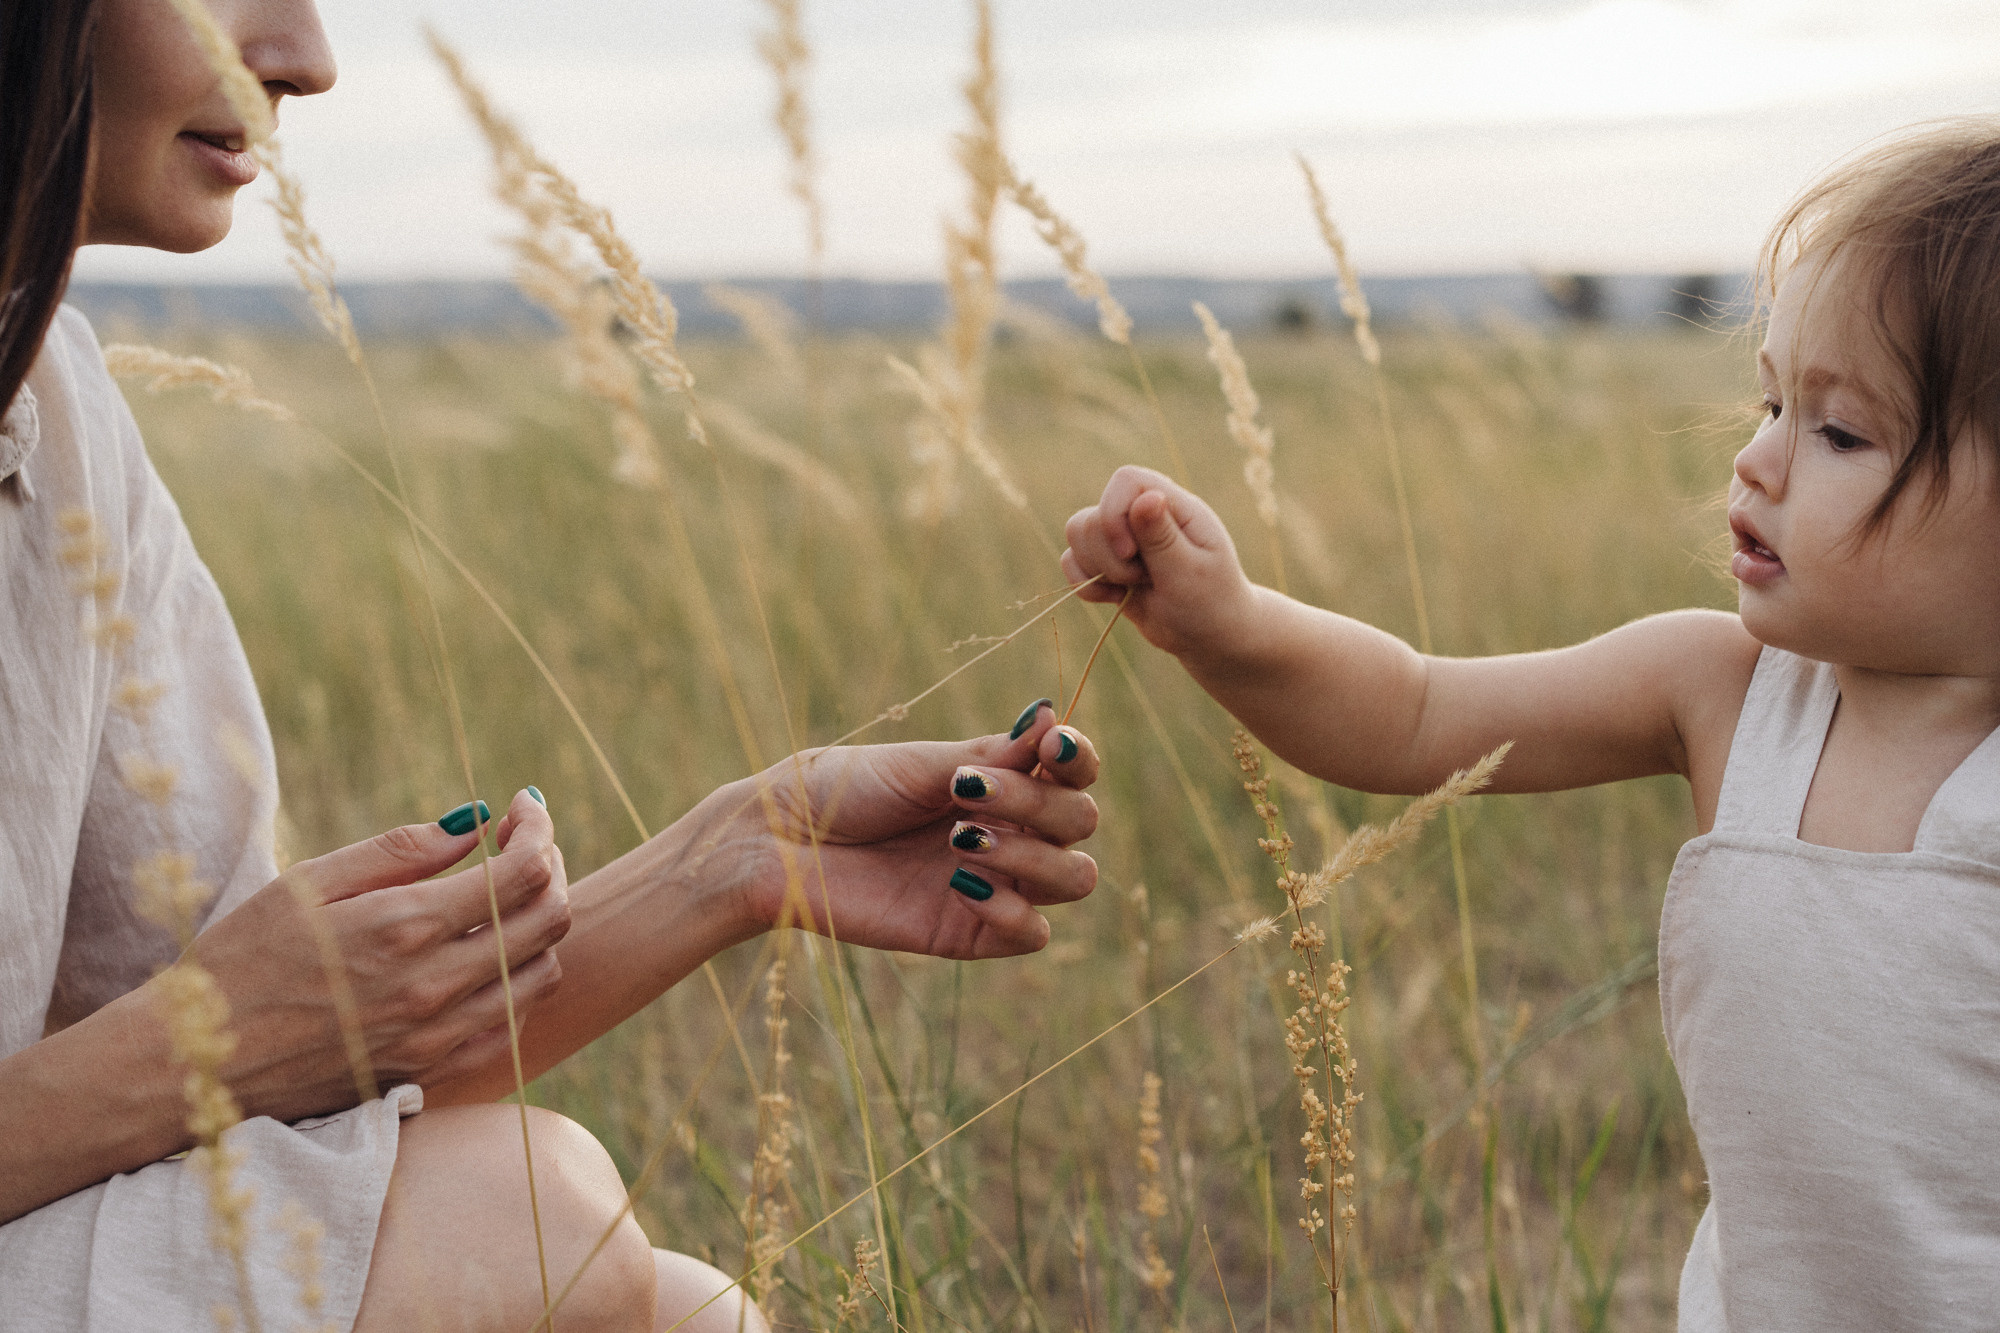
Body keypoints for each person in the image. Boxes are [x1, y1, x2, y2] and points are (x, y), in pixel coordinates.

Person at [0, 2, 1102, 1331]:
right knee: (527, 1214)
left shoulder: (53, 399)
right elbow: (201, 1062)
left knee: (689, 1310)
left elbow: (266, 1083)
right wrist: (195, 1047)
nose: (303, 59)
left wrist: (745, 852)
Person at [1064, 123, 2000, 1330]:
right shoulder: (1718, 692)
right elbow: (1412, 712)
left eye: (1836, 432)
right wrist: (1230, 625)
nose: (1753, 459)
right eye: (1769, 397)